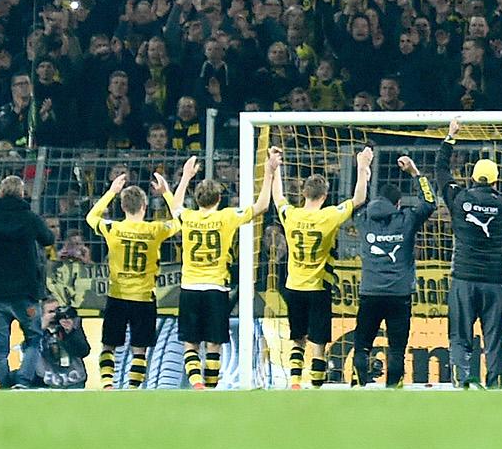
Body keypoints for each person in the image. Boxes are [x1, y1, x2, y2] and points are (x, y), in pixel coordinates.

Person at [435, 117, 502, 389]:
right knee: (494, 337)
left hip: (464, 279)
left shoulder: (459, 199)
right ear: (496, 179)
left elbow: (441, 171)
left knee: (460, 334)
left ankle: (462, 377)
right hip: (494, 281)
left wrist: (450, 138)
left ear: (472, 177)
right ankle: (495, 382)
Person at [176, 152, 277, 390]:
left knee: (190, 343)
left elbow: (175, 206)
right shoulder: (227, 216)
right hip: (216, 288)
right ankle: (210, 388)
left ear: (197, 198)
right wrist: (270, 173)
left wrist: (186, 176)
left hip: (189, 287)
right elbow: (262, 205)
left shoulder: (188, 217)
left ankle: (196, 382)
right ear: (219, 198)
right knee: (214, 343)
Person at [277, 145, 373, 388]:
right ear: (325, 194)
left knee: (297, 338)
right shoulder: (329, 215)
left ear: (303, 192)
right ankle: (316, 386)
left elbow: (277, 199)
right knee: (318, 343)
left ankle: (295, 382)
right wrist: (362, 168)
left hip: (293, 286)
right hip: (318, 287)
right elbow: (359, 199)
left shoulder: (291, 215)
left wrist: (272, 169)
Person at [86, 166, 183, 388]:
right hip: (144, 297)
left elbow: (91, 216)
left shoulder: (113, 228)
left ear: (122, 206)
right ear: (145, 205)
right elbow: (180, 221)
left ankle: (108, 385)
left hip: (117, 295)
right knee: (139, 349)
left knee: (109, 345)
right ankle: (132, 388)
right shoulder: (155, 230)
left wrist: (111, 191)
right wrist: (166, 192)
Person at [352, 154, 437, 388]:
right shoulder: (406, 219)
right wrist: (414, 172)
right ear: (397, 204)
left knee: (362, 345)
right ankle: (392, 390)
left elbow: (356, 202)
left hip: (370, 293)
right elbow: (430, 203)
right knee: (397, 348)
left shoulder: (363, 219)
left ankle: (360, 385)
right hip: (399, 295)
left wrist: (363, 171)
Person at [0, 174, 54, 390]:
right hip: (25, 291)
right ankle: (23, 380)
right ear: (22, 193)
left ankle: (4, 384)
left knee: (1, 347)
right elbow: (49, 239)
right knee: (33, 338)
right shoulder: (30, 218)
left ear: (0, 192)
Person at [13, 299, 91, 389]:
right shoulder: (34, 329)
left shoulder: (71, 325)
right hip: (46, 380)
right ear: (42, 314)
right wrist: (40, 328)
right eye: (51, 312)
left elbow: (84, 351)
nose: (55, 315)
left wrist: (70, 332)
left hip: (73, 379)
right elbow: (28, 350)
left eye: (57, 311)